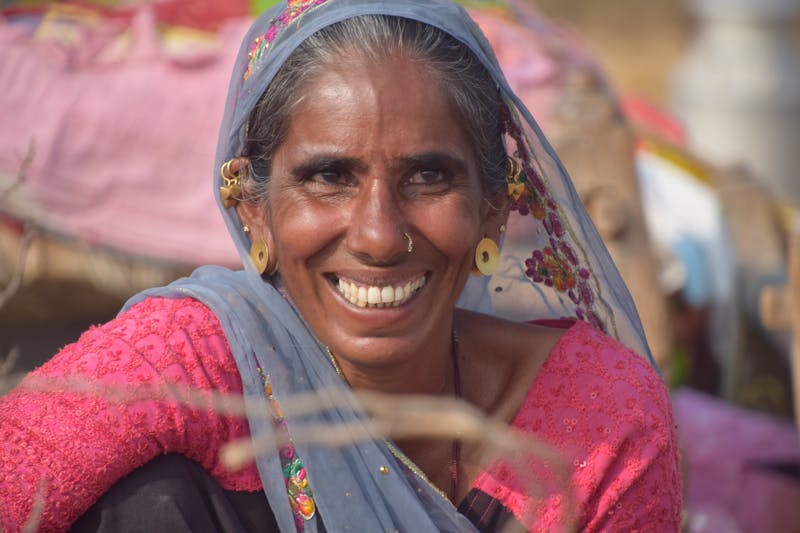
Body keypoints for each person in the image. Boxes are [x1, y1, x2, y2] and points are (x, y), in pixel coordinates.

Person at [0, 1, 681, 531]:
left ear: (494, 211)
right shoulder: (192, 362)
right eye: (329, 175)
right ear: (254, 211)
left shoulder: (595, 419)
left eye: (428, 175)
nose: (380, 235)